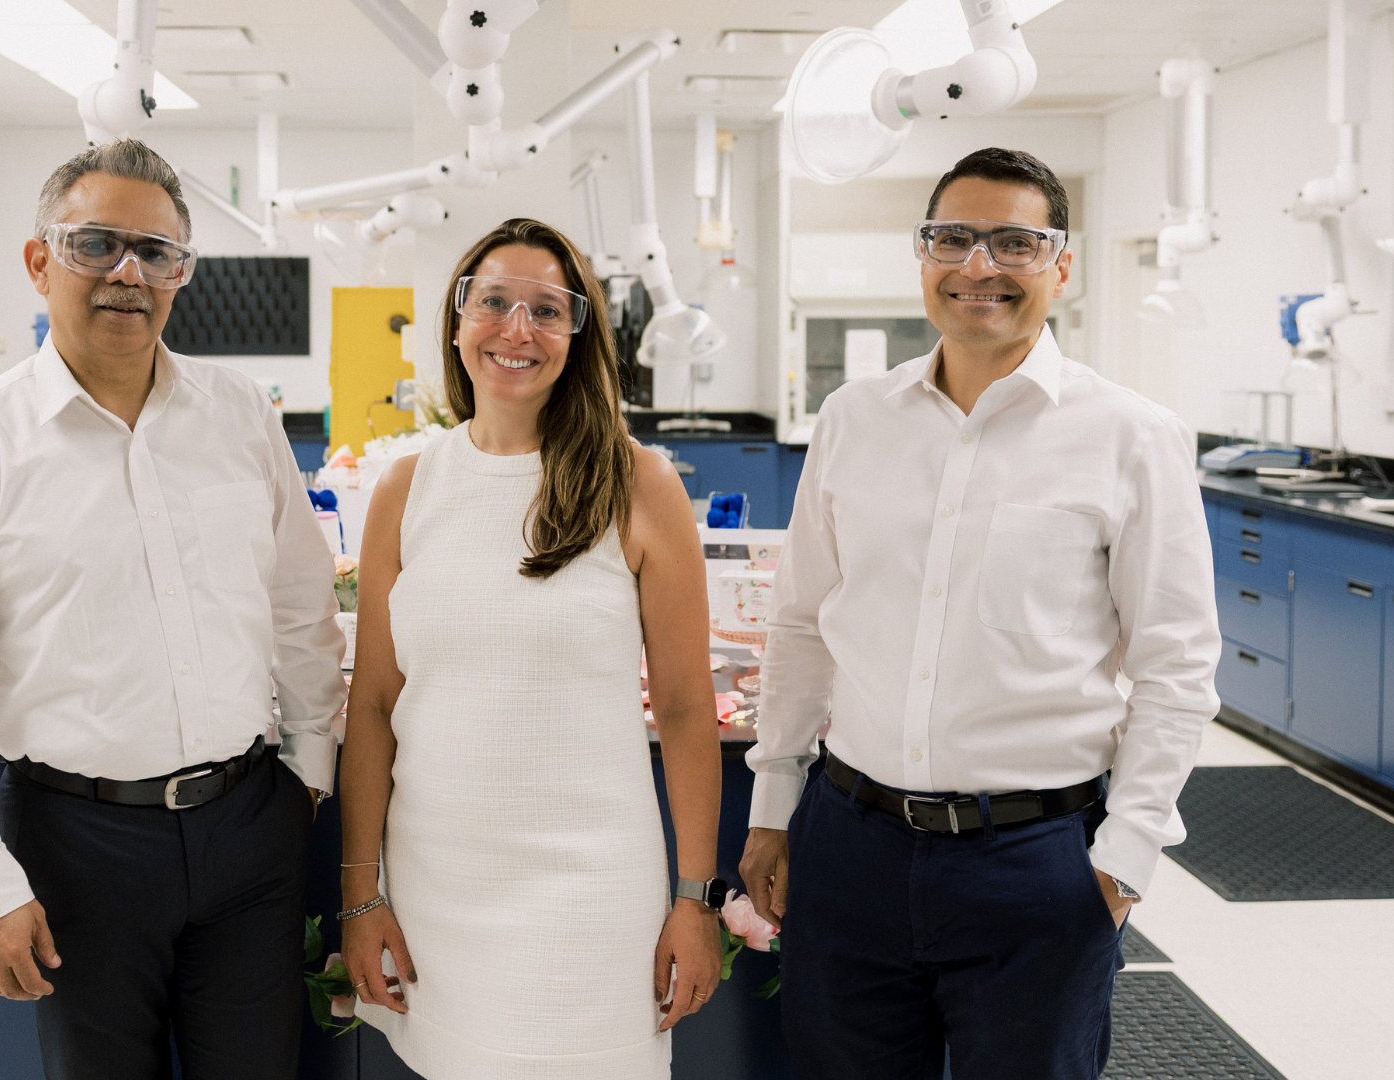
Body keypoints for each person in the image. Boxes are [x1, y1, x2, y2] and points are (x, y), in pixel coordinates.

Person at [740, 148, 1221, 1080]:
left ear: (1062, 266)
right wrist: (771, 808)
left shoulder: (1131, 437)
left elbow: (1177, 668)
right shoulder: (853, 418)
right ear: (922, 255)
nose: (978, 266)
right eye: (952, 238)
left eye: (1015, 242)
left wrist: (1122, 861)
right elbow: (801, 623)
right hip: (850, 845)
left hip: (1035, 863)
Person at [0, 139, 345, 1080]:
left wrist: (306, 776)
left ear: (181, 274)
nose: (128, 273)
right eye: (96, 244)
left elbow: (301, 607)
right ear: (39, 260)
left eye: (156, 252)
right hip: (75, 846)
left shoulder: (240, 415)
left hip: (248, 825)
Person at [336, 218, 725, 1079]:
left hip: (588, 893)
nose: (518, 330)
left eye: (547, 310)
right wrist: (361, 895)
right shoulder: (405, 489)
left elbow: (690, 712)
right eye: (495, 303)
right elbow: (372, 705)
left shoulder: (637, 483)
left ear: (579, 335)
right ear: (457, 319)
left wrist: (695, 903)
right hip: (438, 885)